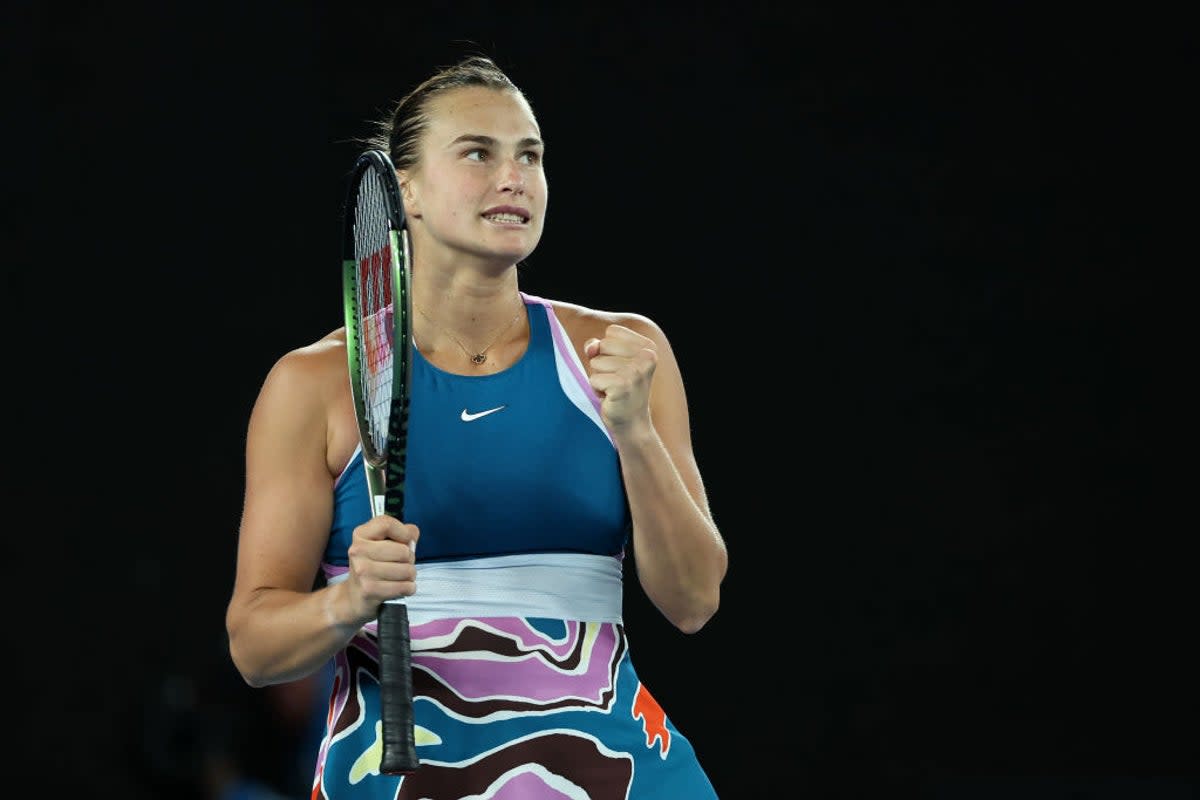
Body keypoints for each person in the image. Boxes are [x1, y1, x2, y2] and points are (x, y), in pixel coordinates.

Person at [225, 53, 728, 799]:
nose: (513, 177)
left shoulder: (622, 354)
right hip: (397, 778)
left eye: (531, 155)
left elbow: (694, 602)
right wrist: (349, 600)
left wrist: (635, 435)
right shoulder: (313, 386)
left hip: (617, 776)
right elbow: (255, 647)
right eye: (478, 153)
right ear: (407, 191)